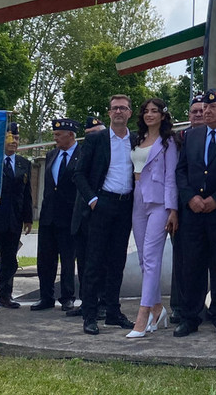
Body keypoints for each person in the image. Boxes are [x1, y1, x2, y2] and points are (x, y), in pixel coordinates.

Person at [173, 89, 216, 338]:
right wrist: (189, 197)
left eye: (212, 107)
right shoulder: (191, 136)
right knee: (191, 265)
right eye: (204, 108)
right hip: (193, 213)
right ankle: (190, 316)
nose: (207, 111)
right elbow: (181, 171)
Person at [72, 94, 136, 335]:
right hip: (102, 204)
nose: (118, 112)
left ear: (130, 113)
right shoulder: (96, 140)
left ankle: (113, 312)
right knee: (94, 262)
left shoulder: (136, 141)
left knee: (117, 262)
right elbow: (79, 174)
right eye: (114, 108)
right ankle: (89, 314)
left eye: (123, 108)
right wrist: (93, 200)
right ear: (109, 113)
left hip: (125, 206)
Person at [126, 98, 179, 338]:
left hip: (159, 203)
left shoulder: (168, 142)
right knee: (143, 260)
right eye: (146, 111)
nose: (149, 115)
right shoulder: (137, 139)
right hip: (138, 200)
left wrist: (172, 209)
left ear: (162, 115)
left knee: (151, 257)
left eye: (154, 111)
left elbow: (170, 177)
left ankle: (143, 314)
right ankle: (158, 309)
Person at [33, 118, 81, 312]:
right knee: (45, 259)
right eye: (54, 135)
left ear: (70, 135)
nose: (55, 139)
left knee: (68, 260)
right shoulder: (52, 154)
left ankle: (67, 296)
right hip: (48, 217)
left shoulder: (82, 154)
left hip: (69, 216)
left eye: (58, 135)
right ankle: (46, 296)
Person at [0, 122, 33, 309]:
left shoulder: (24, 163)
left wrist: (28, 218)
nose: (13, 142)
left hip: (14, 220)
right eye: (10, 138)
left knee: (10, 260)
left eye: (17, 138)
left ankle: (5, 295)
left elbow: (26, 193)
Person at [169, 94, 205, 324]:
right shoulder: (178, 140)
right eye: (195, 112)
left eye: (203, 111)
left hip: (213, 208)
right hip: (184, 208)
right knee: (182, 262)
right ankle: (179, 306)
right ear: (189, 116)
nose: (199, 115)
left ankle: (204, 308)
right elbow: (173, 174)